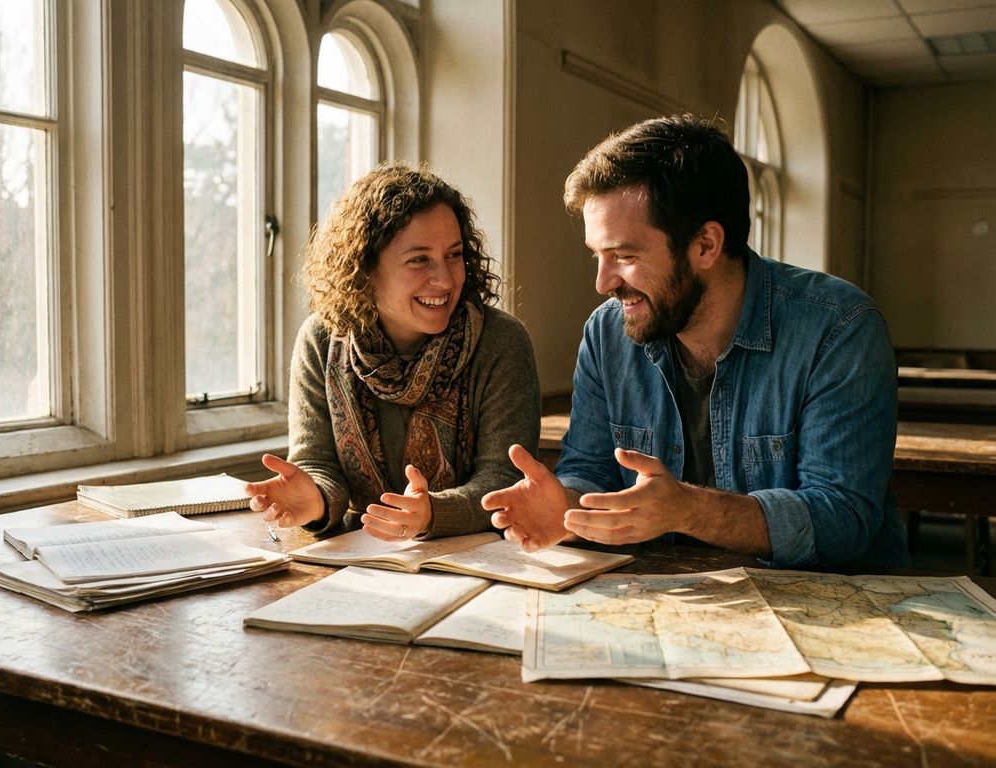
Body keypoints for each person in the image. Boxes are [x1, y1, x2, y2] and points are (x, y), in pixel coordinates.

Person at [483, 114, 909, 569]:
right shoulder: (607, 333)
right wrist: (566, 505)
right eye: (598, 256)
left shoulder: (839, 327)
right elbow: (592, 472)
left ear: (706, 245)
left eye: (624, 256)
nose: (603, 282)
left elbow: (844, 520)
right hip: (670, 597)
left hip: (828, 608)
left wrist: (689, 510)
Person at [247, 162, 540, 541]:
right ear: (364, 267)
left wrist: (434, 513)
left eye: (454, 255)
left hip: (476, 560)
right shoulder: (320, 341)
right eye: (419, 259)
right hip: (362, 561)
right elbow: (317, 465)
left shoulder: (501, 341)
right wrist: (315, 501)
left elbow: (505, 479)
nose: (446, 279)